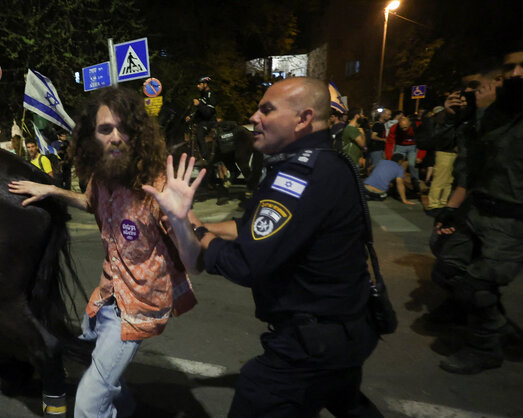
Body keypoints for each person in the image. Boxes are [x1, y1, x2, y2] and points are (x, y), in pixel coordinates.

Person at [144, 77, 382, 417]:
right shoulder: (329, 161)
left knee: (258, 397)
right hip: (347, 327)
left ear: (303, 119)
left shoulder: (297, 177)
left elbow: (246, 263)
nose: (254, 117)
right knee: (344, 399)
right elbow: (250, 228)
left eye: (266, 110)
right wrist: (198, 223)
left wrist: (195, 231)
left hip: (310, 342)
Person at [9, 87, 197, 417]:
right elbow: (88, 202)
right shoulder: (101, 177)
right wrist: (51, 189)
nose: (116, 137)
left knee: (87, 405)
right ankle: (125, 409)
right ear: (91, 136)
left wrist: (182, 221)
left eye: (124, 128)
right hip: (108, 295)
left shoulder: (156, 187)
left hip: (139, 304)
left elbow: (196, 260)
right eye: (105, 129)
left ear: (137, 134)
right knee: (100, 366)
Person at [430, 44, 523, 374]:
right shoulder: (494, 110)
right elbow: (457, 154)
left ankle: (487, 345)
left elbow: (499, 151)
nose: (514, 75)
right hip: (478, 209)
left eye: (520, 68)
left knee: (478, 285)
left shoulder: (505, 113)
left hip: (510, 217)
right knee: (448, 266)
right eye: (508, 69)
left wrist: (483, 112)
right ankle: (497, 325)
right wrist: (457, 115)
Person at [185, 76, 217, 161]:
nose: (197, 86)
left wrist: (199, 105)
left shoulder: (210, 95)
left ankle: (205, 157)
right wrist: (190, 116)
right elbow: (199, 112)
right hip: (202, 121)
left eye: (199, 84)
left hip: (209, 121)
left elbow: (209, 113)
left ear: (205, 84)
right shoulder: (202, 96)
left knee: (200, 134)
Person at [368, 108, 391, 173]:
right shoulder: (377, 125)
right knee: (377, 168)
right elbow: (373, 136)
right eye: (388, 115)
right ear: (383, 115)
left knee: (378, 166)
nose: (390, 116)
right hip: (376, 149)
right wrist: (383, 139)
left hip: (380, 149)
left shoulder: (382, 125)